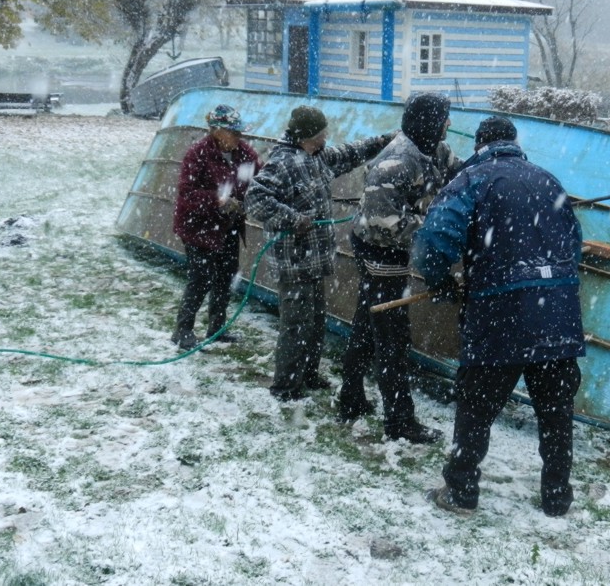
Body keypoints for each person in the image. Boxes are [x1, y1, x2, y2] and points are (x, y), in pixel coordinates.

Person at [412, 115, 586, 516]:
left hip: (499, 314)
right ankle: (558, 497)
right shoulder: (549, 180)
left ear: (479, 144)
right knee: (556, 412)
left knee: (476, 408)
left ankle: (460, 492)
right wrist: (550, 286)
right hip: (557, 316)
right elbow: (573, 245)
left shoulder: (472, 180)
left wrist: (439, 281)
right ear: (514, 142)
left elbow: (435, 239)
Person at [244, 105, 394, 401]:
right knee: (296, 325)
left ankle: (308, 374)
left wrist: (386, 139)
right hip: (294, 260)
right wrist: (293, 219)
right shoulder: (283, 163)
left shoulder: (318, 156)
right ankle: (285, 387)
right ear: (307, 135)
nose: (326, 138)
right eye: (322, 133)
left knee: (314, 321)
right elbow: (255, 199)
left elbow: (350, 153)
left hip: (315, 258)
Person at [337, 92, 462, 444]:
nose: (449, 125)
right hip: (378, 250)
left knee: (367, 321)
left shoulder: (433, 148)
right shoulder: (397, 160)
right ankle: (399, 422)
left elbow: (461, 171)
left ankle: (350, 397)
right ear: (428, 123)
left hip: (392, 248)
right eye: (444, 119)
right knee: (392, 337)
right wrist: (435, 229)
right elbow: (382, 221)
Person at [171, 104, 262, 350]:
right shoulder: (197, 154)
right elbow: (187, 194)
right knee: (200, 278)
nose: (238, 137)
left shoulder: (246, 155)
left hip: (229, 228)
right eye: (233, 132)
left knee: (225, 276)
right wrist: (219, 201)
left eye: (239, 132)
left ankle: (217, 328)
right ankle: (183, 329)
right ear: (216, 131)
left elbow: (259, 181)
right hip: (198, 227)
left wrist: (250, 200)